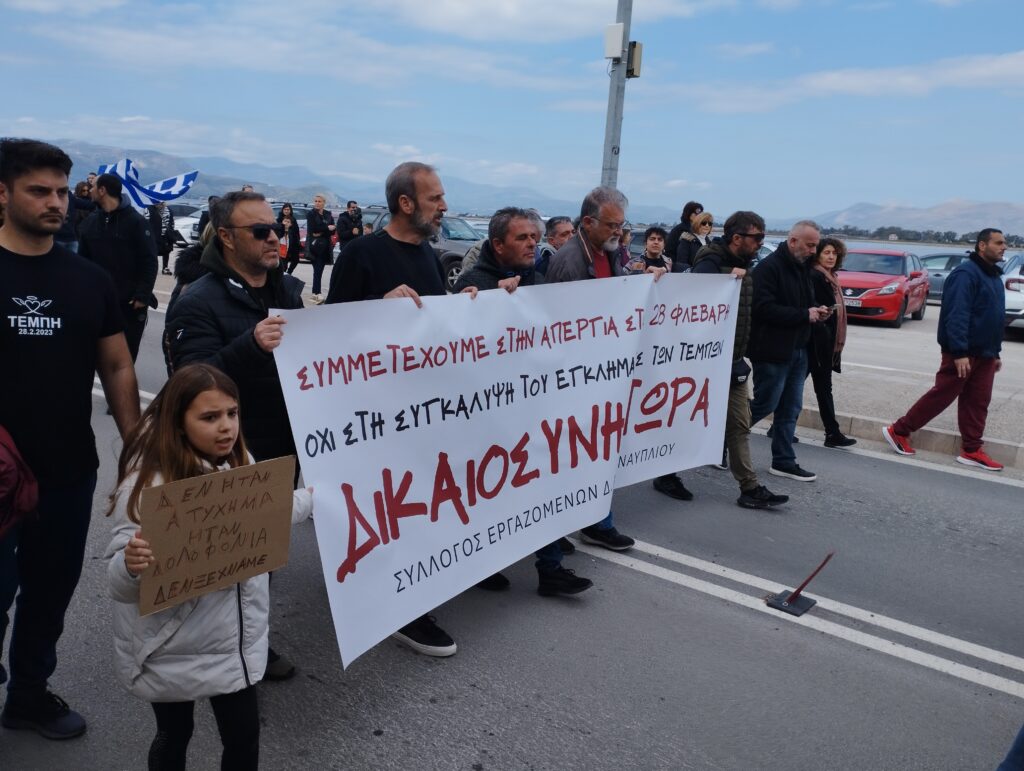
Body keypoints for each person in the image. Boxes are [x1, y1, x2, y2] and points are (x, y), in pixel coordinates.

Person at [0, 138, 140, 739]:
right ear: (2, 194)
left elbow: (118, 365)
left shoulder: (88, 279)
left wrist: (136, 449)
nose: (56, 202)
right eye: (39, 191)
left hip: (67, 470)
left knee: (50, 592)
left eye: (61, 191)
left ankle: (28, 696)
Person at [105, 363, 312, 770]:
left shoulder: (241, 462)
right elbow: (119, 585)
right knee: (174, 734)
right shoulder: (147, 484)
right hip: (170, 645)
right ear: (178, 423)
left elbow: (269, 511)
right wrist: (130, 565)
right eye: (210, 417)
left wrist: (316, 498)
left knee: (244, 737)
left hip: (232, 643)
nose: (226, 427)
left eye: (232, 413)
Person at [326, 161, 478, 656]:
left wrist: (469, 303)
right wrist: (377, 306)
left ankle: (413, 588)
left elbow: (430, 322)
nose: (445, 206)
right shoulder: (361, 253)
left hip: (424, 411)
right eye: (435, 198)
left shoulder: (430, 256)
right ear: (405, 203)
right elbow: (328, 335)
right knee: (391, 510)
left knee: (420, 506)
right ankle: (398, 608)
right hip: (377, 415)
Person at [165, 191, 306, 678]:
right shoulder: (197, 300)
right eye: (261, 231)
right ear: (225, 237)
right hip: (231, 453)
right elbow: (188, 384)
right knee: (227, 562)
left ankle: (249, 642)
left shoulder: (287, 291)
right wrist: (251, 345)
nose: (274, 238)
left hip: (281, 444)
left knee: (263, 556)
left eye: (277, 229)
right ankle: (221, 657)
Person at [455, 207, 595, 597]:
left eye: (534, 237)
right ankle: (481, 565)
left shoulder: (538, 279)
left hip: (532, 408)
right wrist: (491, 303)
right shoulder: (473, 283)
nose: (532, 244)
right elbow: (456, 348)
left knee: (541, 483)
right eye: (522, 238)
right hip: (488, 418)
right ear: (497, 244)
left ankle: (550, 567)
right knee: (489, 496)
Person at [546, 186, 641, 550]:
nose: (619, 232)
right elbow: (561, 327)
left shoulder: (609, 254)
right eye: (612, 225)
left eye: (622, 225)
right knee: (575, 456)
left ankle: (591, 521)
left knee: (596, 453)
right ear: (587, 222)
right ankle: (571, 528)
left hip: (601, 374)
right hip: (578, 378)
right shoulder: (569, 262)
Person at [682, 212, 790, 510]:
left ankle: (749, 487)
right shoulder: (710, 262)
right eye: (757, 238)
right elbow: (693, 301)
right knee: (685, 422)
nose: (760, 244)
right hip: (705, 364)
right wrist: (726, 278)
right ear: (737, 238)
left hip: (734, 363)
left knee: (740, 425)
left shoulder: (746, 266)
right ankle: (666, 474)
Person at [883, 228, 1007, 470]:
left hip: (985, 353)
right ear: (982, 245)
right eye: (999, 243)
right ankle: (899, 430)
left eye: (1005, 243)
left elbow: (993, 317)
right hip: (963, 352)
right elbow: (957, 314)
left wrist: (996, 352)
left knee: (978, 402)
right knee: (942, 396)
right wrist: (959, 352)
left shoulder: (993, 276)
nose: (1004, 247)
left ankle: (971, 450)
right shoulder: (965, 274)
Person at [748, 220, 831, 482]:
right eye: (810, 245)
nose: (813, 251)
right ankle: (721, 442)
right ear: (793, 241)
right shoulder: (768, 268)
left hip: (799, 348)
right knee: (764, 404)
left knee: (790, 408)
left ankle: (783, 460)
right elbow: (762, 308)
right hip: (771, 350)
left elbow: (803, 303)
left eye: (816, 246)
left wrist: (817, 311)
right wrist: (804, 314)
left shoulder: (803, 267)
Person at [79, 172, 159, 363]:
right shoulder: (90, 222)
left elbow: (149, 260)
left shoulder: (136, 222)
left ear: (102, 190)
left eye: (93, 186)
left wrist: (142, 295)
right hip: (98, 301)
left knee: (125, 359)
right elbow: (82, 261)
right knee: (92, 356)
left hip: (129, 304)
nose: (89, 190)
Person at [807, 237, 856, 448]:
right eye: (826, 252)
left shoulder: (832, 278)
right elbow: (813, 304)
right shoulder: (816, 276)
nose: (831, 257)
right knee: (819, 388)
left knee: (821, 388)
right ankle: (832, 433)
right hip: (815, 343)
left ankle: (832, 432)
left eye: (834, 253)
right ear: (817, 254)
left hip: (825, 343)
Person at [305, 194, 335, 303]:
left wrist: (323, 230)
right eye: (316, 201)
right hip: (315, 246)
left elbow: (333, 230)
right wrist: (326, 228)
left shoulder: (328, 214)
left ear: (324, 203)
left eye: (319, 201)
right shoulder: (311, 214)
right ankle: (316, 293)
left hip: (325, 247)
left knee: (319, 270)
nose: (317, 203)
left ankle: (316, 293)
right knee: (317, 270)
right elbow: (313, 230)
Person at [665, 200, 703, 270]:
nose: (699, 216)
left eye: (701, 214)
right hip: (680, 267)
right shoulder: (680, 230)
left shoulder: (700, 231)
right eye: (696, 213)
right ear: (688, 214)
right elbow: (671, 252)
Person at [148, 201, 176, 276]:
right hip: (154, 235)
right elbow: (146, 222)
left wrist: (171, 230)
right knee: (154, 252)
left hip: (166, 235)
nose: (160, 205)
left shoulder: (168, 210)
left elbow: (172, 222)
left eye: (161, 203)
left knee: (166, 252)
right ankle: (154, 268)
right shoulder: (149, 209)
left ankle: (165, 267)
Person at [277, 202, 301, 275]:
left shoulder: (293, 219)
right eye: (285, 209)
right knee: (284, 263)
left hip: (293, 244)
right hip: (282, 245)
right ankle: (284, 275)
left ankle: (289, 273)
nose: (286, 211)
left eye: (288, 209)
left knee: (295, 260)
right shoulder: (279, 220)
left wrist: (298, 242)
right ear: (282, 210)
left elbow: (297, 232)